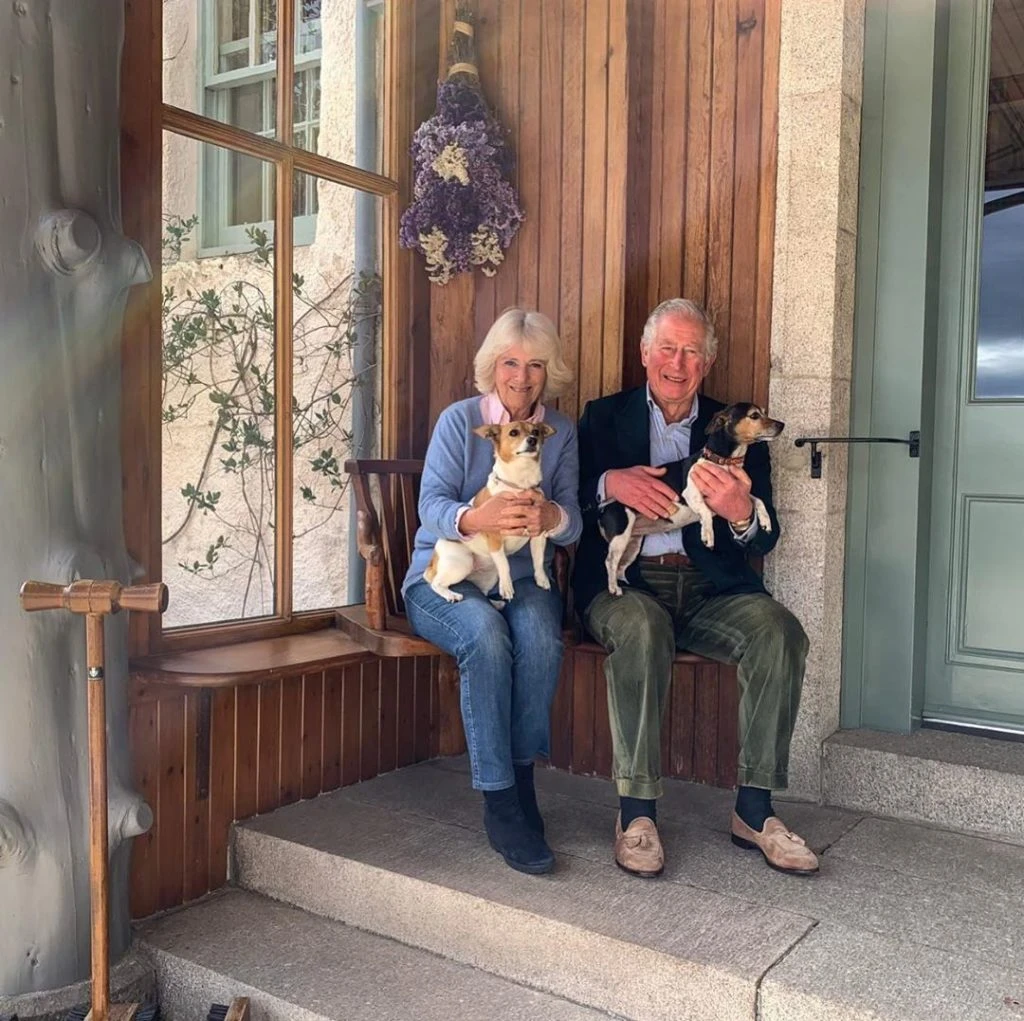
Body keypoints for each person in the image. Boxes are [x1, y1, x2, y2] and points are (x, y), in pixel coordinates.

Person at [573, 298, 817, 878]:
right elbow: (566, 496)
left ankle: (754, 812)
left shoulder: (734, 428)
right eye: (667, 348)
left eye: (690, 352)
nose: (677, 363)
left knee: (780, 632)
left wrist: (740, 512)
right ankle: (636, 815)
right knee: (641, 627)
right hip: (628, 585)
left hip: (713, 590)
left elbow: (765, 536)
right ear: (644, 353)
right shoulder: (603, 416)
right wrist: (610, 483)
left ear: (706, 363)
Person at [403, 308, 582, 875]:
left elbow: (574, 520)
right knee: (484, 636)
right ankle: (501, 800)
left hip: (521, 577)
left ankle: (523, 780)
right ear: (492, 367)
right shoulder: (459, 422)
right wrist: (475, 517)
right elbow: (430, 505)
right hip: (446, 574)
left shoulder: (561, 431)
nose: (521, 377)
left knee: (540, 637)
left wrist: (553, 516)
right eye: (510, 363)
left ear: (549, 371)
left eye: (535, 365)